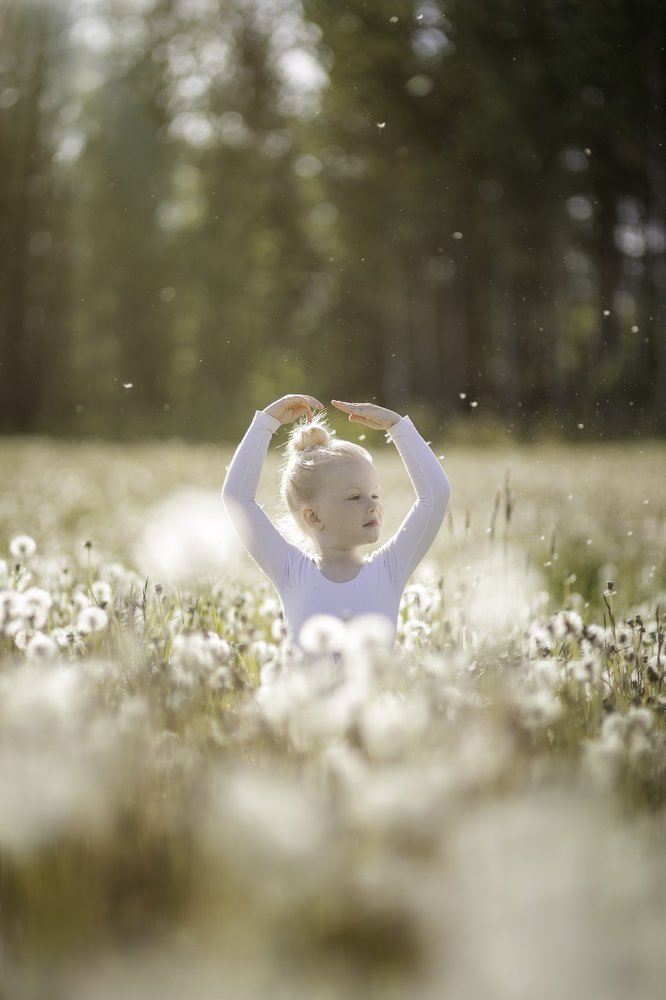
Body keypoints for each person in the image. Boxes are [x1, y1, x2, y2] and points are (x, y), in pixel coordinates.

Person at [221, 394, 451, 661]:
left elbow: (436, 495)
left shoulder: (390, 570)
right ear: (314, 517)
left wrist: (398, 428)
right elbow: (237, 498)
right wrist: (266, 423)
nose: (372, 505)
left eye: (374, 495)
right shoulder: (290, 571)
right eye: (355, 497)